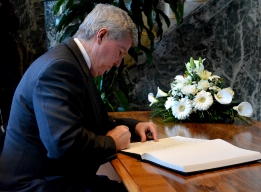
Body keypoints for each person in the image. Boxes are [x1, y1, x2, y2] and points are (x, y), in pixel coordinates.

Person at [0, 3, 158, 192]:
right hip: (32, 184)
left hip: (51, 175)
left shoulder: (73, 62)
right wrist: (112, 142)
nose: (118, 63)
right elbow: (64, 144)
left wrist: (135, 127)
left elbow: (92, 121)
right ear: (101, 35)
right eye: (120, 52)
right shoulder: (59, 68)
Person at [0, 0, 21, 151]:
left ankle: (11, 136)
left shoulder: (4, 3)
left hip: (7, 56)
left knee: (13, 96)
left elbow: (15, 25)